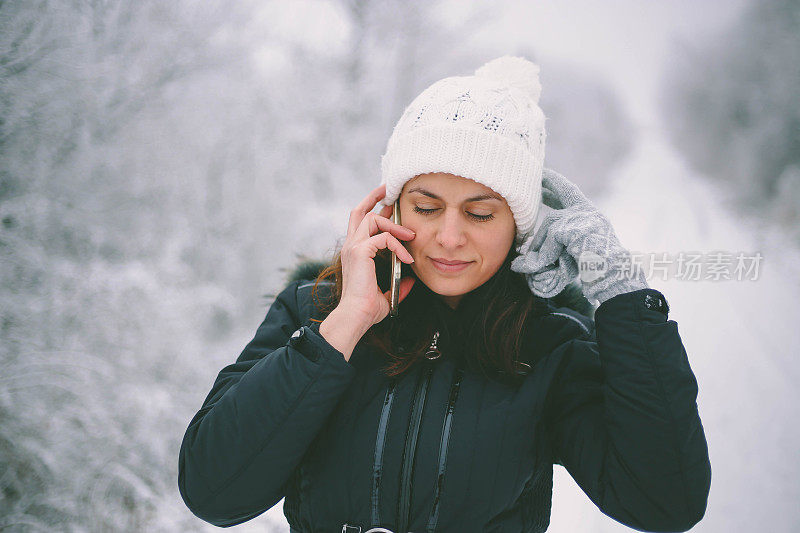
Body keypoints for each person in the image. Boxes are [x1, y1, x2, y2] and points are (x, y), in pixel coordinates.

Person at [177, 56, 711, 532]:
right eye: (427, 207)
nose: (450, 238)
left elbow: (664, 504)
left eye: (480, 214)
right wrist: (347, 322)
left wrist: (618, 291)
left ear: (518, 226)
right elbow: (214, 491)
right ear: (391, 209)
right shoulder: (316, 312)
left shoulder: (548, 343)